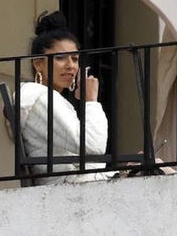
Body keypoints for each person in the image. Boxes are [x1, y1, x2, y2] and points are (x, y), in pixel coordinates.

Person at [19, 11, 114, 183]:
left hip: (80, 183)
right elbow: (94, 146)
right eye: (61, 58)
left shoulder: (47, 98)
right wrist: (91, 101)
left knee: (156, 166)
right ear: (38, 63)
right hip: (69, 187)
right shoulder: (39, 97)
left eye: (75, 59)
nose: (70, 66)